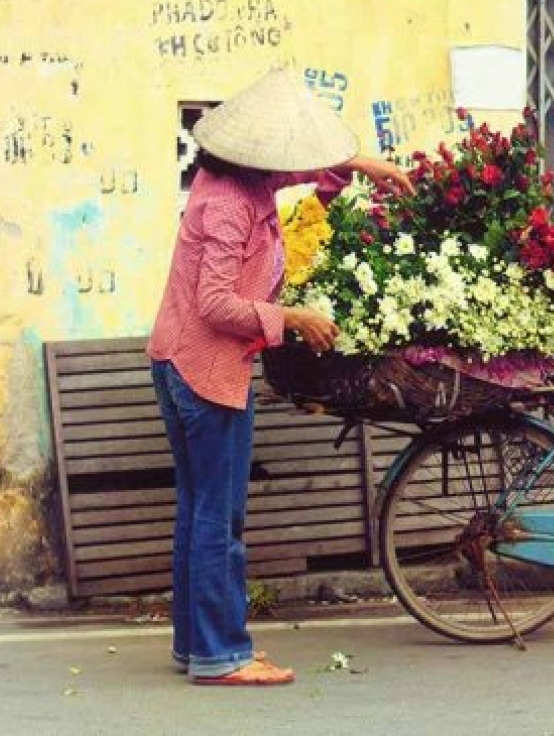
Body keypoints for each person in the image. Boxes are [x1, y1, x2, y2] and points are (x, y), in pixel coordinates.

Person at [147, 68, 412, 686]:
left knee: (198, 512)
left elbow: (297, 174)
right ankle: (223, 656)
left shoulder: (230, 179)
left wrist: (359, 164)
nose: (287, 165)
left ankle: (198, 647)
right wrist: (289, 317)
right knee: (219, 518)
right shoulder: (230, 206)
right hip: (203, 372)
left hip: (182, 363)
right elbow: (215, 304)